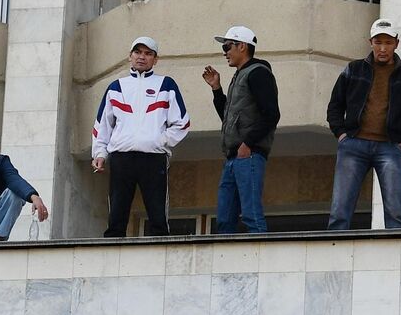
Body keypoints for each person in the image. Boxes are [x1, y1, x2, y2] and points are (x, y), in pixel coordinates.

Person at [328, 18, 401, 230]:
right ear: (370, 42)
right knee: (340, 210)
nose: (383, 48)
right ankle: (334, 255)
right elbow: (335, 105)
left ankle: (399, 258)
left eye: (388, 43)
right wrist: (341, 135)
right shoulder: (353, 69)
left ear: (396, 44)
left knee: (396, 210)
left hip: (390, 147)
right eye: (378, 42)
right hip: (353, 144)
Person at [93, 35, 191, 237]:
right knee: (117, 212)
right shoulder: (116, 87)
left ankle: (161, 249)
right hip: (122, 156)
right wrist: (100, 154)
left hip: (153, 157)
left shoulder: (166, 84)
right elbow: (102, 126)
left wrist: (160, 141)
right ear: (130, 56)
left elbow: (182, 122)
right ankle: (112, 250)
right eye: (137, 52)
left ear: (155, 59)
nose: (142, 57)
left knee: (157, 213)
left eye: (148, 53)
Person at [203, 25, 279, 234]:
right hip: (235, 156)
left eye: (228, 46)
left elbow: (271, 114)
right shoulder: (240, 75)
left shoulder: (258, 74)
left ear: (242, 46)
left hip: (248, 154)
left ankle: (260, 261)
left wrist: (248, 144)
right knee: (225, 219)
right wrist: (217, 89)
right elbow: (228, 118)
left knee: (251, 215)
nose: (225, 52)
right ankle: (225, 263)